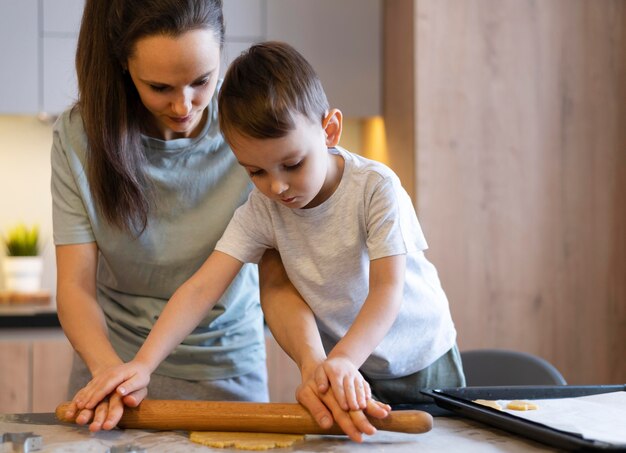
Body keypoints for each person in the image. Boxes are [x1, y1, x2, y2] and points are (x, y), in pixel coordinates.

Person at [70, 41, 465, 440]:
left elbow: (387, 289)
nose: (277, 186)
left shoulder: (375, 189)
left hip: (421, 359)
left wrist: (343, 358)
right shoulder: (263, 210)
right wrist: (143, 364)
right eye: (255, 172)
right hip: (349, 369)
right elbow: (201, 288)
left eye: (292, 164)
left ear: (329, 130)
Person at [53, 0, 269, 434]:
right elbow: (75, 285)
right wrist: (114, 375)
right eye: (160, 88)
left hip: (225, 370)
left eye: (202, 81)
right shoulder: (79, 137)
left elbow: (279, 267)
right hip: (111, 370)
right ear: (123, 66)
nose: (184, 106)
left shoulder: (251, 121)